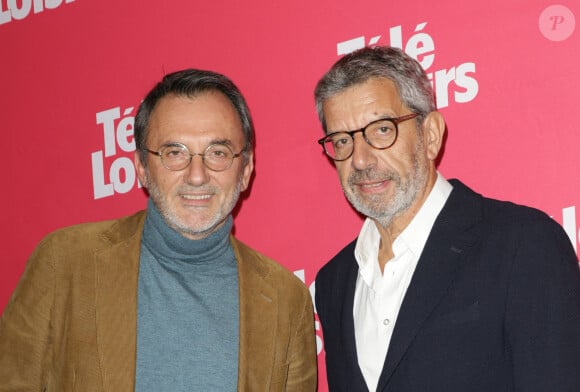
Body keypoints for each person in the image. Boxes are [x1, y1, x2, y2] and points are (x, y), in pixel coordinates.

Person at [0, 69, 317, 391]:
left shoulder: (287, 300)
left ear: (246, 170)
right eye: (174, 153)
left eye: (218, 153)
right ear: (141, 167)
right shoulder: (65, 262)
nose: (197, 175)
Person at [313, 46, 580, 392]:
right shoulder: (334, 281)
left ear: (431, 136)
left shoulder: (524, 246)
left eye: (381, 130)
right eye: (342, 140)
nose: (360, 160)